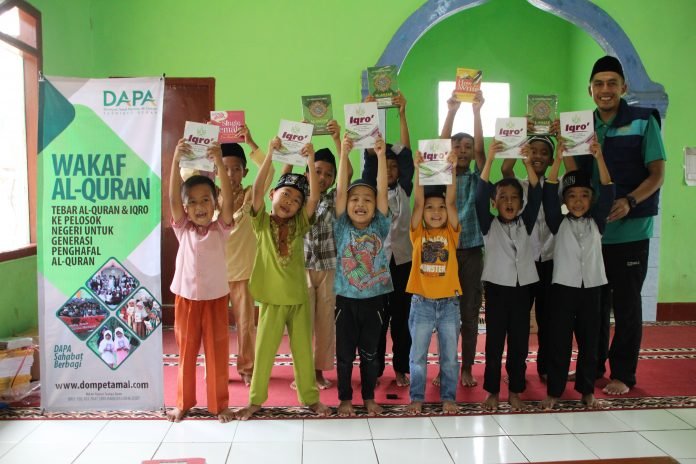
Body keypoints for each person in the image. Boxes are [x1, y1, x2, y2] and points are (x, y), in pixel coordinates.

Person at [581, 56, 666, 395]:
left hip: (631, 231)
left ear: (624, 88)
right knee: (594, 307)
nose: (605, 90)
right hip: (593, 233)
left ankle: (623, 374)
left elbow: (657, 175)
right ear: (590, 90)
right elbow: (577, 174)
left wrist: (630, 200)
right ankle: (593, 366)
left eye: (612, 83)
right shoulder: (582, 125)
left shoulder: (644, 121)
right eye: (599, 84)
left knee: (627, 306)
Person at [236, 137, 331, 420]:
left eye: (296, 200)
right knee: (264, 352)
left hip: (299, 300)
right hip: (272, 301)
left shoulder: (300, 225)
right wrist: (270, 155)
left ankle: (310, 399)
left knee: (303, 353)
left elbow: (314, 199)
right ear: (272, 196)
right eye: (285, 195)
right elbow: (256, 191)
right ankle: (255, 401)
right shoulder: (262, 223)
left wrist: (310, 159)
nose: (290, 201)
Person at [541, 137, 615, 409]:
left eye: (584, 195)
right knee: (559, 342)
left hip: (593, 288)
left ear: (591, 199)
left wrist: (599, 157)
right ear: (565, 200)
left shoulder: (598, 221)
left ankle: (587, 390)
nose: (578, 201)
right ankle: (554, 391)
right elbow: (549, 192)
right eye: (572, 196)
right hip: (563, 288)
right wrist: (558, 159)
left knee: (590, 341)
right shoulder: (557, 222)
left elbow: (608, 189)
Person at [167, 138, 236, 423]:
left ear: (215, 202)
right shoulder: (183, 228)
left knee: (217, 353)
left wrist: (218, 161)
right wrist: (175, 160)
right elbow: (172, 198)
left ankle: (220, 405)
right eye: (192, 202)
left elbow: (229, 200)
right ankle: (183, 403)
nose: (199, 207)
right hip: (186, 300)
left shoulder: (221, 228)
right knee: (186, 352)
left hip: (216, 299)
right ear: (185, 207)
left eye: (205, 200)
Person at [476, 141, 541, 411]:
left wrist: (526, 161)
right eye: (503, 197)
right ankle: (492, 391)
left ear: (521, 203)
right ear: (494, 203)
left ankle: (515, 390)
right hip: (497, 289)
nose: (509, 202)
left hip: (523, 290)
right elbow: (479, 196)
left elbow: (537, 194)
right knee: (494, 344)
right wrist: (490, 159)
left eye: (514, 198)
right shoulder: (488, 225)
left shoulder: (526, 222)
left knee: (519, 344)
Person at [282, 120, 344, 390]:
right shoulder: (297, 197)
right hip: (302, 267)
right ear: (307, 172)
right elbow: (282, 180)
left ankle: (318, 372)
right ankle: (302, 373)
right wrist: (297, 141)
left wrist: (338, 139)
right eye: (317, 171)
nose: (322, 177)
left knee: (325, 323)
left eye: (328, 174)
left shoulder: (335, 199)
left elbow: (346, 171)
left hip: (328, 269)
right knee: (301, 324)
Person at [333, 135, 392, 417]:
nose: (360, 204)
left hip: (374, 301)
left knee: (370, 354)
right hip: (345, 301)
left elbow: (383, 191)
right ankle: (345, 399)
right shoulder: (341, 226)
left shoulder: (379, 225)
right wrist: (344, 153)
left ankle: (369, 397)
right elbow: (340, 190)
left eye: (367, 200)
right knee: (344, 356)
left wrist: (380, 156)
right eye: (354, 199)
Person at [364, 91, 414, 388]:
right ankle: (375, 367)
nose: (392, 170)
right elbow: (371, 157)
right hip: (377, 263)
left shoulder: (406, 188)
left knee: (402, 318)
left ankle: (401, 368)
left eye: (395, 167)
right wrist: (369, 113)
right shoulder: (371, 190)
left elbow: (406, 154)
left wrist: (402, 113)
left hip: (404, 262)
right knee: (377, 320)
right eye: (387, 166)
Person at [406, 150, 461, 415]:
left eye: (440, 208)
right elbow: (417, 203)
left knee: (449, 358)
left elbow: (451, 202)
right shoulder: (417, 233)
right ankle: (416, 397)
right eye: (431, 207)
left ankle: (448, 397)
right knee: (417, 356)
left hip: (449, 304)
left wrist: (451, 170)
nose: (436, 211)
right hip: (422, 304)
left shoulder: (451, 232)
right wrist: (418, 169)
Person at [438, 90, 486, 387]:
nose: (464, 150)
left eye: (467, 147)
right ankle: (445, 368)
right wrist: (452, 111)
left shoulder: (479, 175)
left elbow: (481, 152)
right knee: (444, 314)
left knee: (468, 312)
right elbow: (439, 145)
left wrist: (477, 111)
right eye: (458, 146)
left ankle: (466, 367)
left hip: (471, 252)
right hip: (443, 252)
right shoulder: (441, 175)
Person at [501, 134, 558, 382]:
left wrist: (563, 142)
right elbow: (505, 169)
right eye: (533, 150)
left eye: (544, 152)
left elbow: (573, 170)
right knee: (519, 321)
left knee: (548, 319)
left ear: (552, 159)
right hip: (524, 262)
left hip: (551, 260)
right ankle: (516, 371)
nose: (537, 156)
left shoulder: (559, 185)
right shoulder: (520, 186)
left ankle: (545, 368)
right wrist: (519, 138)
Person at [222, 124, 273, 387]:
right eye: (225, 169)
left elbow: (269, 171)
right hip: (215, 276)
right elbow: (187, 176)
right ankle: (217, 368)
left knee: (245, 325)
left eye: (236, 169)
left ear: (245, 171)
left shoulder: (252, 195)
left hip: (244, 272)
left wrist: (251, 143)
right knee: (215, 327)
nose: (230, 174)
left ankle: (247, 367)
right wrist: (203, 142)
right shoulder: (209, 196)